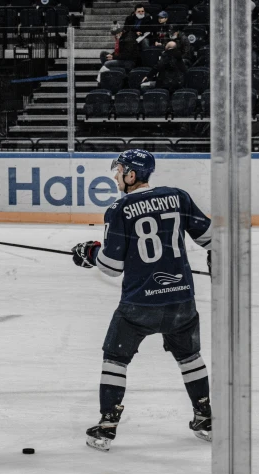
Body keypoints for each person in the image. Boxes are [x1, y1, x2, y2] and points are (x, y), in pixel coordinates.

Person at [71, 149, 213, 452]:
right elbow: (212, 238)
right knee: (190, 358)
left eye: (119, 170)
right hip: (181, 300)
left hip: (140, 305)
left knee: (115, 358)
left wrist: (90, 253)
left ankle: (107, 426)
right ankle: (205, 417)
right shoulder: (179, 196)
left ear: (131, 175)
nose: (116, 175)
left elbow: (111, 266)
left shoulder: (119, 208)